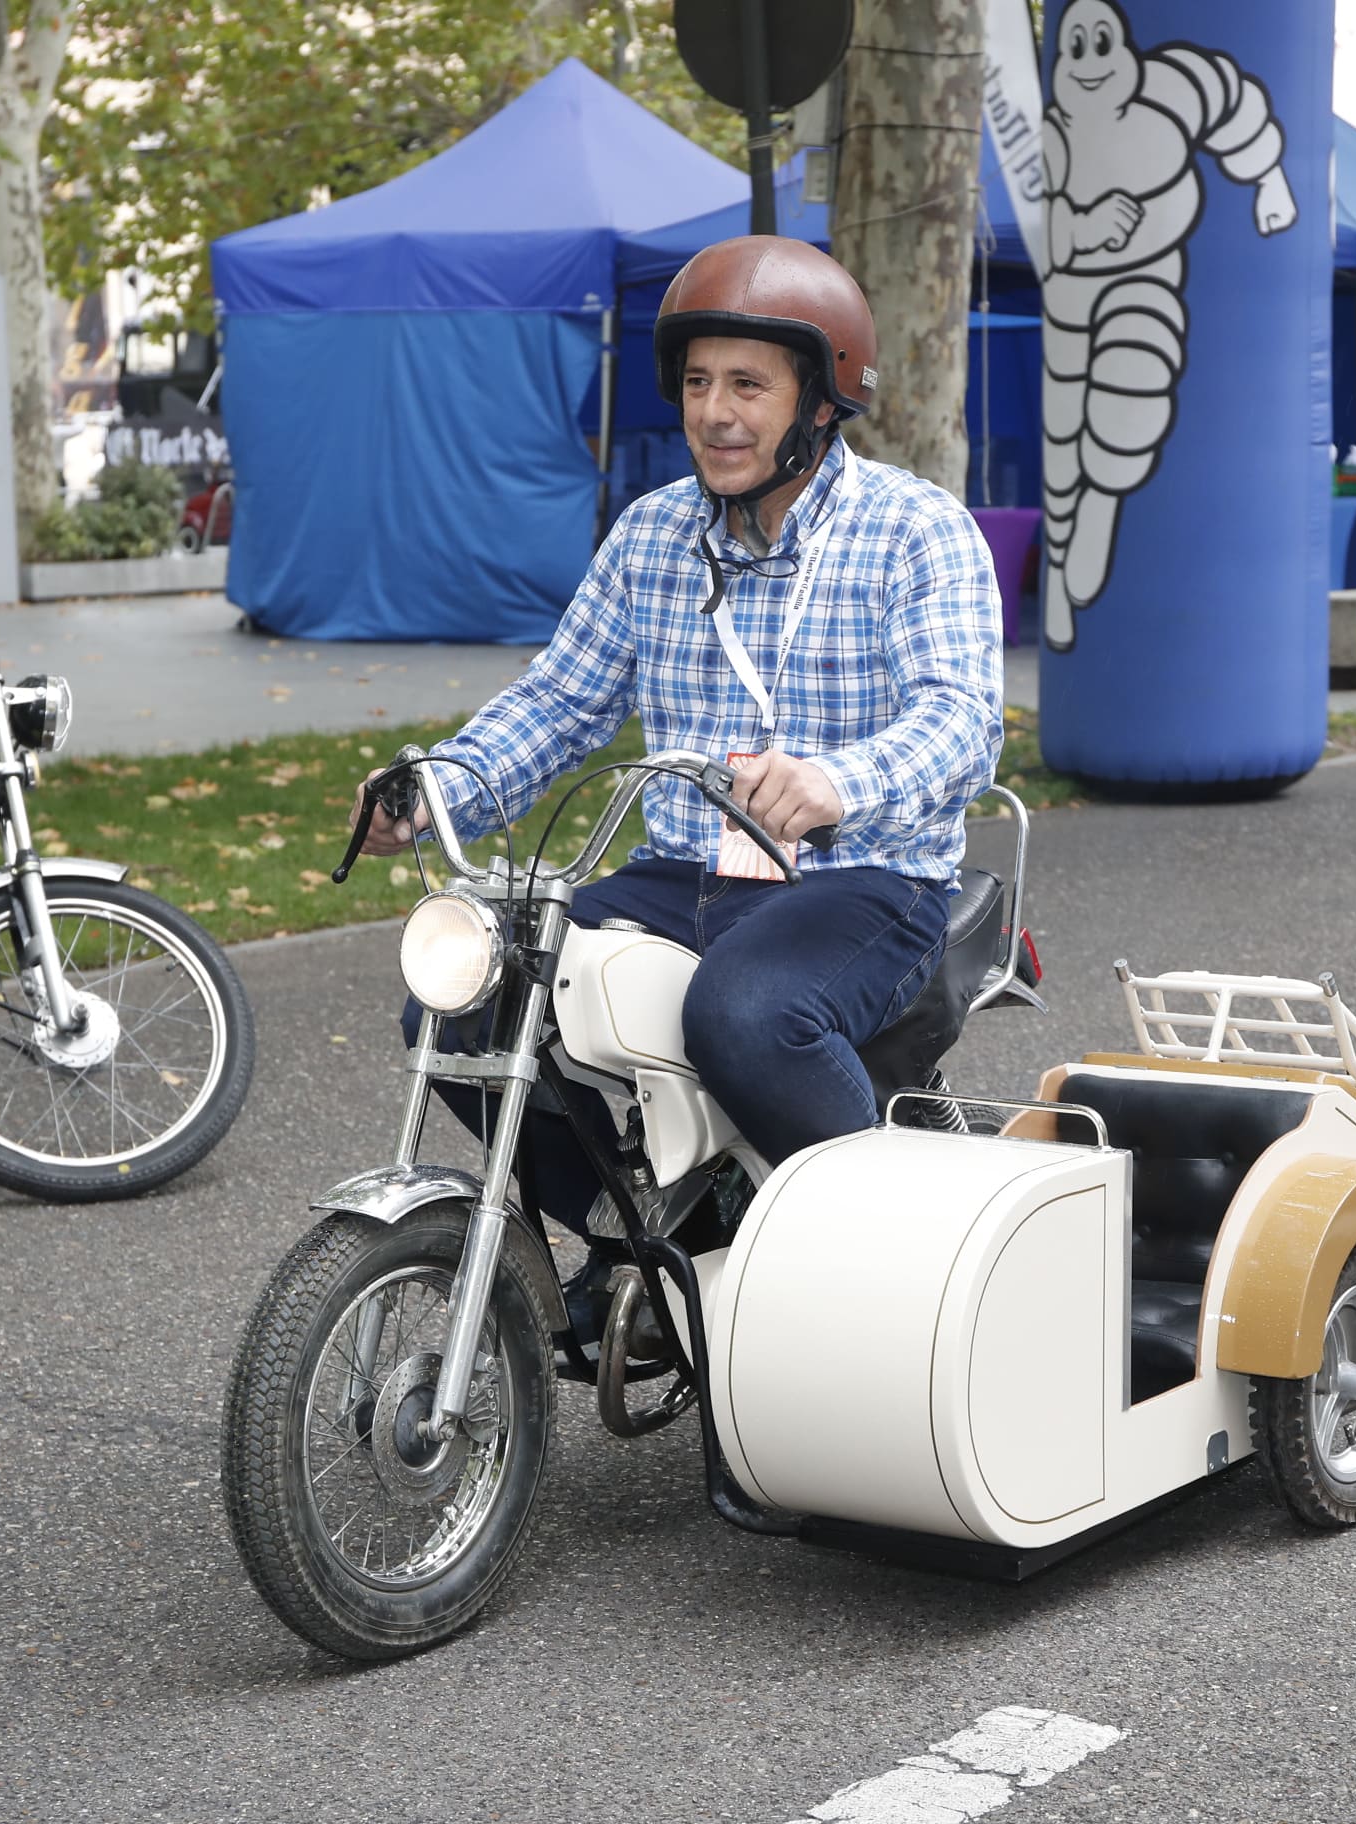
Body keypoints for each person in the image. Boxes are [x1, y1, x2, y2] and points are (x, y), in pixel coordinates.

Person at [350, 236, 1004, 1334]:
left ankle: (895, 1270)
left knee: (743, 1013)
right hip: (678, 873)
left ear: (823, 398)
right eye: (699, 383)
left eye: (748, 384)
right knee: (454, 1001)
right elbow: (561, 704)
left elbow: (961, 718)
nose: (715, 412)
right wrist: (436, 790)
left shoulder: (916, 529)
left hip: (859, 878)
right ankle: (653, 1239)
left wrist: (840, 781)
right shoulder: (652, 533)